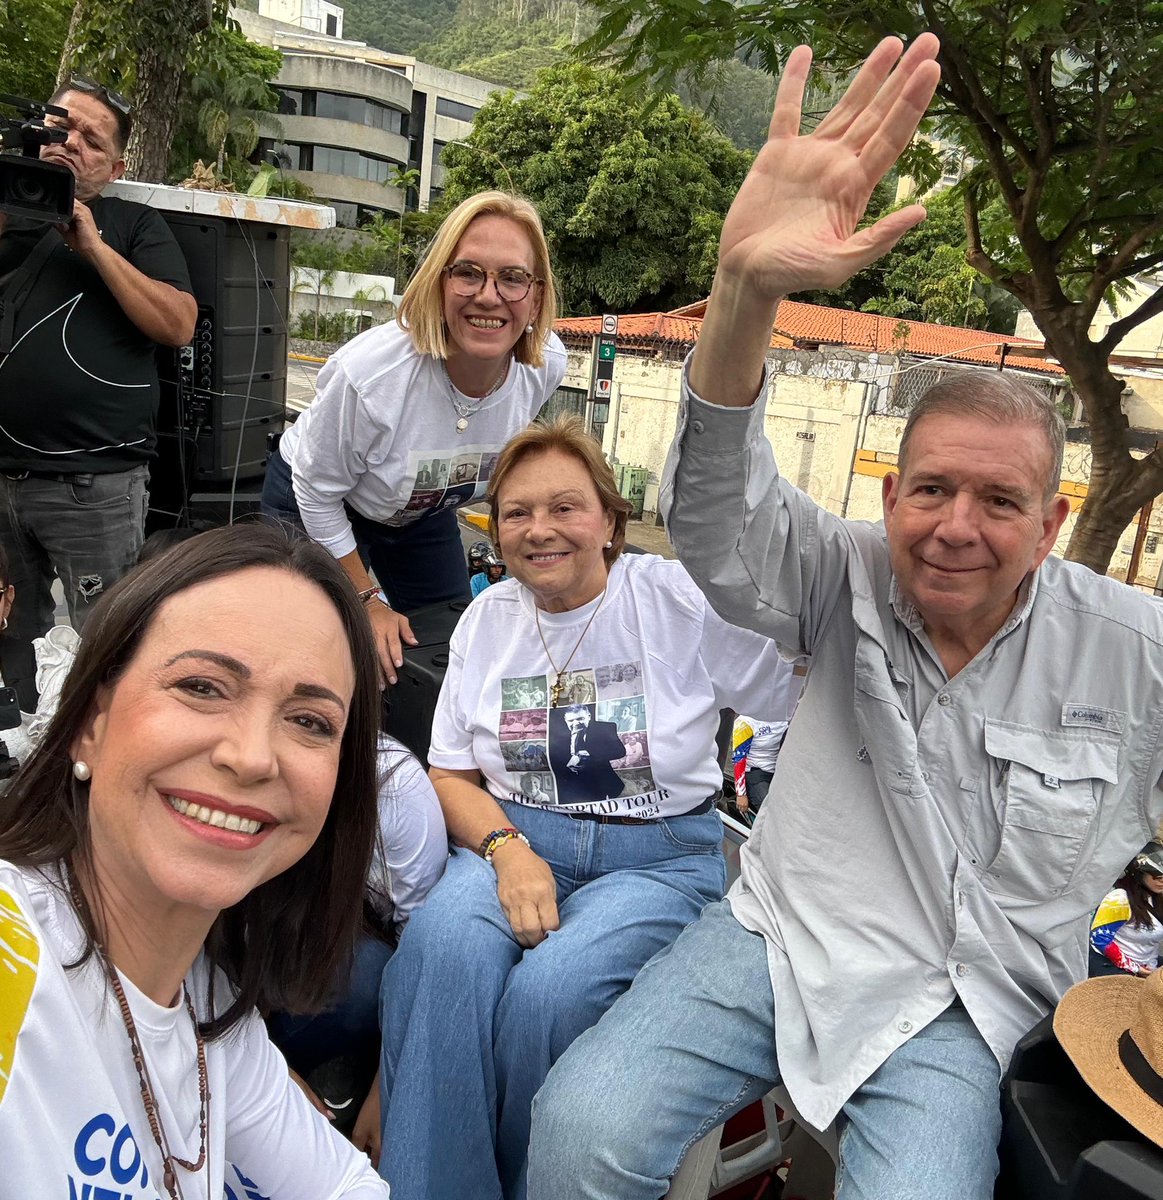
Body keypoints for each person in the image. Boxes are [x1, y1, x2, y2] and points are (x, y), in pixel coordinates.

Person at [525, 35, 1163, 1200]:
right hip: (780, 938)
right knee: (578, 1130)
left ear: (1051, 513)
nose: (955, 526)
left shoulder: (1134, 651)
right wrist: (744, 287)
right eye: (930, 489)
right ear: (887, 495)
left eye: (997, 500)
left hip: (964, 1005)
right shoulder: (843, 573)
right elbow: (715, 517)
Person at [377, 415, 801, 1200]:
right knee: (440, 954)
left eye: (564, 507)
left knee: (554, 990)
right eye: (516, 513)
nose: (540, 530)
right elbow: (447, 775)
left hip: (657, 860)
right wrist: (508, 851)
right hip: (512, 837)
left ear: (608, 519)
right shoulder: (486, 618)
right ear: (495, 528)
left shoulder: (671, 596)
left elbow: (793, 680)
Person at [0, 523, 390, 1197]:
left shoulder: (207, 1004)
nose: (251, 756)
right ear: (88, 718)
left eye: (309, 721)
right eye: (203, 687)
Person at [261, 191, 567, 683]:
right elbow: (317, 491)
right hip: (312, 498)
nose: (489, 296)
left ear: (535, 296)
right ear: (440, 283)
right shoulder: (376, 376)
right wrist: (367, 600)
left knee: (454, 639)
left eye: (512, 278)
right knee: (315, 653)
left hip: (419, 508)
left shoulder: (544, 366)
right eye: (469, 272)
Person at [0, 78, 197, 710]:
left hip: (93, 487)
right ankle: (19, 743)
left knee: (107, 642)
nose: (70, 145)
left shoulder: (132, 224)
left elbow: (178, 323)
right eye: (60, 127)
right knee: (9, 637)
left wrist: (92, 245)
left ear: (113, 168)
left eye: (91, 139)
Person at [269, 729, 449, 1165]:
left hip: (342, 946)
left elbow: (420, 946)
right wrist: (263, 1072)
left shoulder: (395, 789)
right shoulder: (251, 766)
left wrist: (387, 1093)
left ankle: (345, 1071)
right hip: (245, 967)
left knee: (369, 973)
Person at [1090, 842, 1163, 978]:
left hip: (1149, 964)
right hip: (1116, 969)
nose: (1162, 881)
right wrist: (1135, 968)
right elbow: (1099, 938)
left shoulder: (1157, 897)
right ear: (1139, 873)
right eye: (1157, 876)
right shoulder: (1119, 899)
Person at [548, 703, 626, 805]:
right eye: (571, 720)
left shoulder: (605, 728)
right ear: (565, 720)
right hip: (569, 785)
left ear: (589, 717)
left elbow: (620, 751)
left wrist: (589, 754)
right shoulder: (556, 734)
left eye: (580, 719)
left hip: (598, 782)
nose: (576, 723)